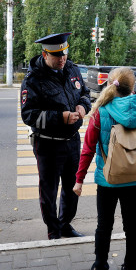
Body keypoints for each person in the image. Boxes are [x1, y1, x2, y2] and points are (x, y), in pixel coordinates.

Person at [73, 67, 136, 270]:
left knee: (104, 226)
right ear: (132, 87)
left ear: (110, 85)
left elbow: (87, 150)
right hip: (133, 177)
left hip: (108, 179)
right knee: (132, 225)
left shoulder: (100, 112)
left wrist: (79, 180)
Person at [20, 32, 91, 240]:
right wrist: (61, 117)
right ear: (45, 54)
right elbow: (29, 115)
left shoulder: (72, 69)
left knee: (72, 187)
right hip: (48, 144)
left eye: (65, 54)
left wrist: (83, 106)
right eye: (57, 55)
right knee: (49, 190)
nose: (62, 59)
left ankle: (65, 223)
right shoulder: (33, 79)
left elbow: (86, 94)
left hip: (72, 141)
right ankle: (53, 229)